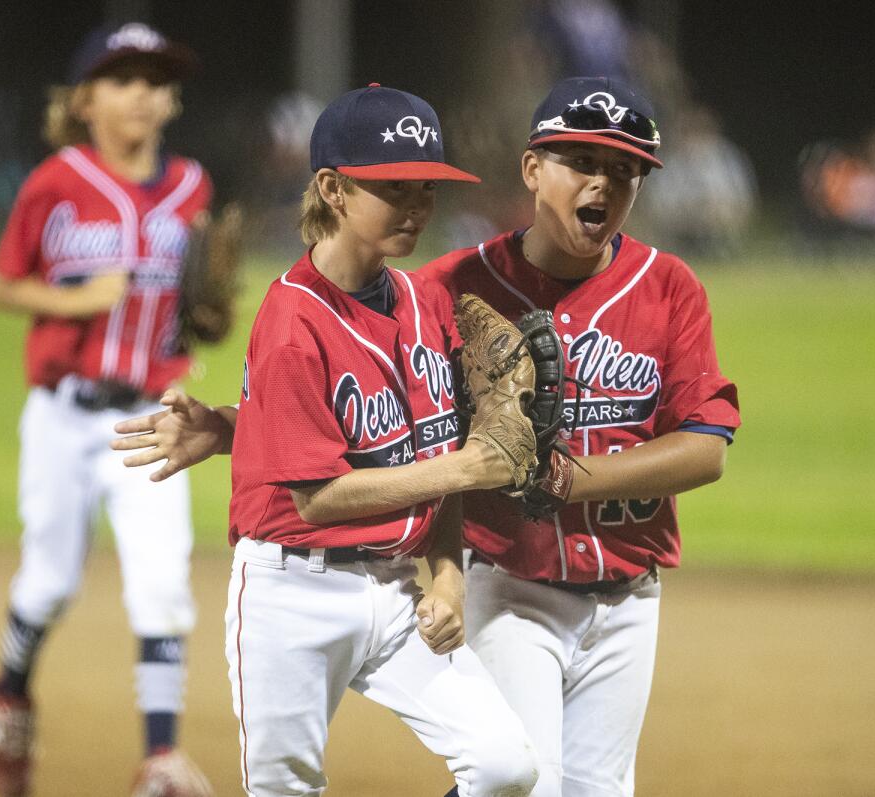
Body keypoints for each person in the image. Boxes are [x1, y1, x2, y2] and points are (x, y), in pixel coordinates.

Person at [115, 76, 740, 796]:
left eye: (625, 170)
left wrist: (514, 512)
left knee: (530, 774)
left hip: (593, 586)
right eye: (583, 163)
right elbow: (338, 427)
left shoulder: (444, 298)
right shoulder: (447, 286)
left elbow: (704, 444)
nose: (415, 207)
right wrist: (234, 426)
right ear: (533, 170)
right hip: (468, 582)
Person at [119, 82, 539, 797]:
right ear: (333, 189)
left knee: (505, 764)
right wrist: (466, 469)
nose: (417, 205)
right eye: (394, 187)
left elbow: (426, 448)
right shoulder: (291, 321)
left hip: (393, 589)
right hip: (291, 596)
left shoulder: (425, 301)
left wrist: (448, 574)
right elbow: (320, 496)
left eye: (426, 187)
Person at [0, 21, 231, 797]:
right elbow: (1, 284)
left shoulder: (192, 187)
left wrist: (209, 315)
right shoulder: (54, 182)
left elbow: (198, 302)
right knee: (49, 583)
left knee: (161, 584)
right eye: (123, 79)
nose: (143, 95)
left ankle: (159, 757)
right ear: (85, 98)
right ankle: (9, 688)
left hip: (151, 414)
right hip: (62, 412)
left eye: (156, 81)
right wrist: (75, 297)